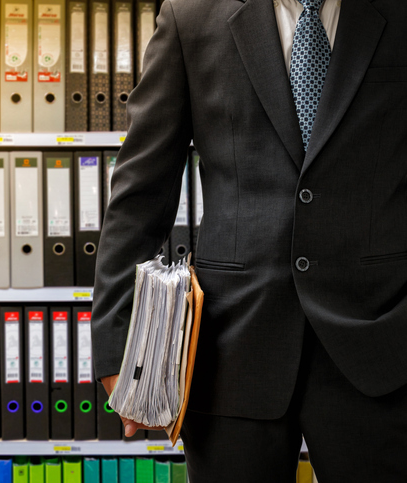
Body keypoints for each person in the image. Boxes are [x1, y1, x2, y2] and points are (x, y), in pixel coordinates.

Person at [91, 0, 407, 481]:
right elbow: (139, 192)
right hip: (231, 349)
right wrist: (118, 346)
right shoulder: (191, 16)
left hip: (380, 341)